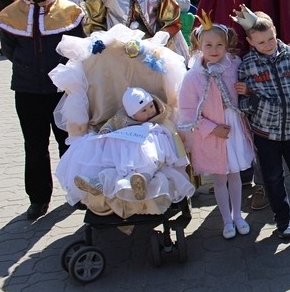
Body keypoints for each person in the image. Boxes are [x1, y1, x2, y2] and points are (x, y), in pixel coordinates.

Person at [0, 0, 85, 220]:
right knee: (34, 146)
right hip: (27, 90)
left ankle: (77, 193)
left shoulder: (70, 10)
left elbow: (79, 48)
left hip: (63, 90)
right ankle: (38, 199)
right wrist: (28, 69)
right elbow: (9, 50)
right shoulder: (11, 14)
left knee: (70, 143)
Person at [236, 9, 290, 241]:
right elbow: (242, 105)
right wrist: (251, 96)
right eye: (260, 42)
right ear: (250, 42)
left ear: (275, 32)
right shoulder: (247, 65)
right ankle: (283, 222)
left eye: (270, 38)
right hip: (265, 135)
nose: (267, 45)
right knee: (273, 178)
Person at [59, 86, 194, 217]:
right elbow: (111, 124)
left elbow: (172, 133)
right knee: (115, 168)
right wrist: (106, 131)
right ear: (132, 114)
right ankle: (97, 181)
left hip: (149, 152)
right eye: (144, 111)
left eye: (151, 107)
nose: (150, 112)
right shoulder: (123, 119)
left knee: (150, 161)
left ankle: (143, 180)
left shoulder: (159, 121)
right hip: (126, 156)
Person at [178, 20, 255, 239]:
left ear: (226, 44)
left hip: (234, 128)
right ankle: (226, 220)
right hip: (213, 134)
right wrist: (211, 128)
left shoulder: (234, 65)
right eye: (208, 45)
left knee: (236, 175)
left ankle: (238, 215)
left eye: (219, 45)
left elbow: (245, 89)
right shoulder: (193, 77)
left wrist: (246, 90)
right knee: (220, 178)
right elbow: (187, 110)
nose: (214, 50)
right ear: (198, 46)